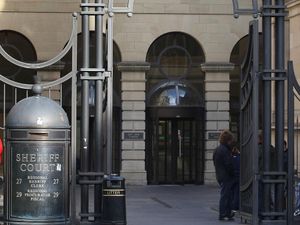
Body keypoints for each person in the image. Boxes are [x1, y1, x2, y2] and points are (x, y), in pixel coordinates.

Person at [213, 130, 235, 221]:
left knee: (227, 195)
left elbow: (214, 161)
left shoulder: (218, 149)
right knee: (225, 195)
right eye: (231, 140)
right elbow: (228, 164)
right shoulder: (225, 150)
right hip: (226, 176)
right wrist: (232, 173)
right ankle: (222, 214)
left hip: (220, 175)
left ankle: (227, 213)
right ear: (228, 140)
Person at [231, 146, 240, 211]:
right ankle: (235, 206)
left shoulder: (230, 158)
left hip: (232, 176)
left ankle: (232, 205)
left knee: (232, 192)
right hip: (238, 176)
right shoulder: (239, 158)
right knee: (236, 192)